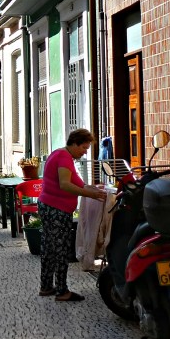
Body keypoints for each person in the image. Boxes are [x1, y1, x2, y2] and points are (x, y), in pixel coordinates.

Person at [37, 128, 106, 301]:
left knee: (49, 247)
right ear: (74, 143)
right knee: (61, 250)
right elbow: (65, 184)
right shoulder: (64, 157)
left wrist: (93, 188)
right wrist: (91, 194)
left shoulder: (60, 154)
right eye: (83, 147)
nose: (85, 152)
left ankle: (46, 286)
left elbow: (78, 183)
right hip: (56, 210)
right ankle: (62, 291)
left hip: (49, 207)